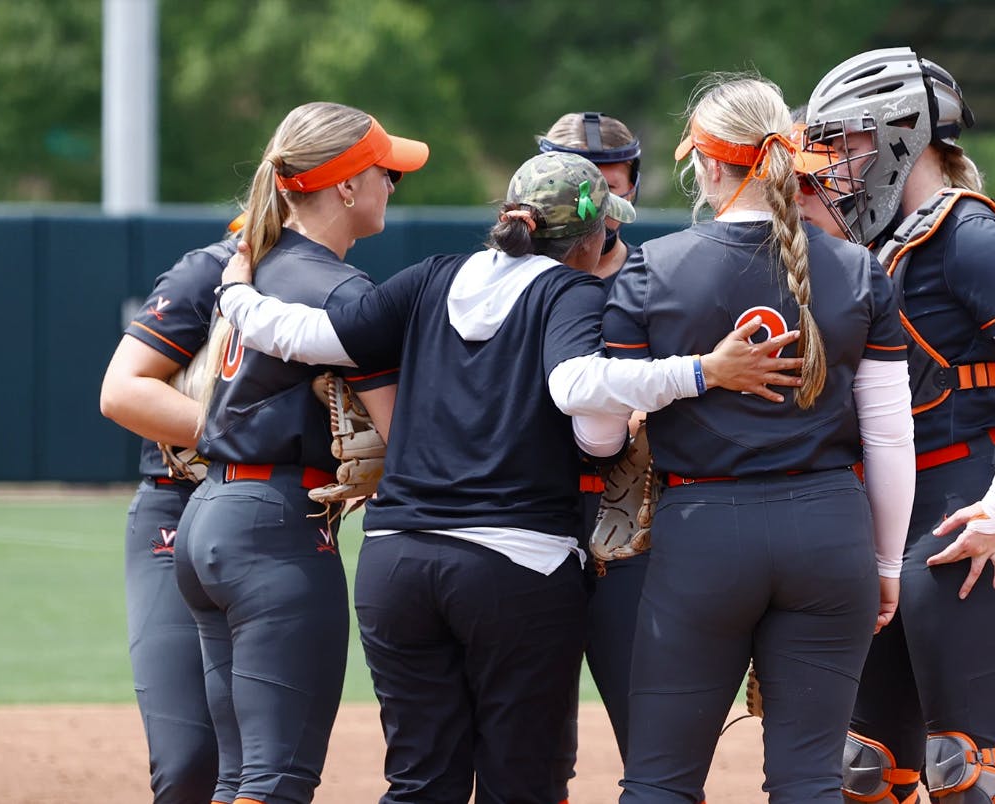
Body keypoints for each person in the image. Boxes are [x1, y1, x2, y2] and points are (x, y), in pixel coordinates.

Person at [210, 150, 805, 803]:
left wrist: (235, 288)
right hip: (515, 565)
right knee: (520, 782)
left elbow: (305, 333)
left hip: (396, 563)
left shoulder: (431, 276)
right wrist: (703, 372)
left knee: (420, 782)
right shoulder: (570, 291)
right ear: (593, 235)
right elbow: (581, 398)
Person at [602, 74, 916, 803]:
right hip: (829, 528)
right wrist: (887, 563)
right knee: (808, 781)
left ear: (708, 165)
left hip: (702, 531)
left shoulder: (653, 267)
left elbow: (596, 434)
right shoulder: (857, 269)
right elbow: (888, 437)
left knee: (659, 782)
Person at [803, 47, 995, 804]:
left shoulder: (965, 231)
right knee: (863, 771)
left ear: (903, 133)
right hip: (884, 519)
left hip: (962, 511)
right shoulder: (873, 243)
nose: (834, 162)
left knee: (964, 770)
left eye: (847, 140)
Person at [172, 100, 427, 804]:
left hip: (210, 514)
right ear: (346, 186)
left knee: (238, 779)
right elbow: (401, 435)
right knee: (277, 782)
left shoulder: (264, 268)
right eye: (384, 173)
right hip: (275, 530)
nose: (391, 186)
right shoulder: (340, 290)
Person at [99, 218, 242, 802]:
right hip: (177, 503)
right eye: (380, 174)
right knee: (189, 760)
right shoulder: (208, 271)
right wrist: (249, 434)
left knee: (261, 763)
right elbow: (121, 393)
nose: (390, 185)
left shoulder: (338, 285)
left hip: (285, 518)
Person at [537, 110, 651, 790]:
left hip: (631, 528)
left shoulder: (659, 278)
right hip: (530, 523)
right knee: (532, 753)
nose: (595, 199)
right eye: (577, 179)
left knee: (654, 741)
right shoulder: (499, 284)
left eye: (609, 179)